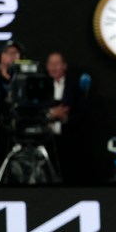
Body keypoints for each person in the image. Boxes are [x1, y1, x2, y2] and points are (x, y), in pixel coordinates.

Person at [45, 51, 88, 183]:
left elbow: (83, 114)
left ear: (64, 66)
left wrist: (65, 118)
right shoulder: (40, 86)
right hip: (45, 142)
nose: (54, 67)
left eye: (57, 63)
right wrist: (51, 115)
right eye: (51, 64)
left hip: (69, 141)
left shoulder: (75, 88)